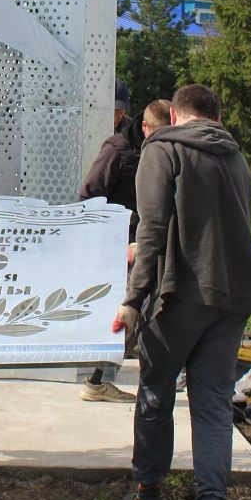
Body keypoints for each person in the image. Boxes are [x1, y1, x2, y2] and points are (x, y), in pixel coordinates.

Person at [114, 85, 251, 500]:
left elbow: (153, 230)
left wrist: (131, 300)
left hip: (179, 295)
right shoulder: (236, 158)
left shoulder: (163, 151)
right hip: (234, 297)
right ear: (215, 117)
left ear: (176, 117)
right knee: (213, 403)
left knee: (156, 392)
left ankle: (148, 495)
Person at [77, 78, 146, 402]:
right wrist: (108, 240)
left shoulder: (137, 142)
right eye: (111, 111)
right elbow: (89, 195)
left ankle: (101, 376)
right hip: (123, 243)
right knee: (129, 311)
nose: (115, 117)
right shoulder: (117, 148)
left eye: (119, 111)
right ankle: (97, 379)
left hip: (142, 240)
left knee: (136, 310)